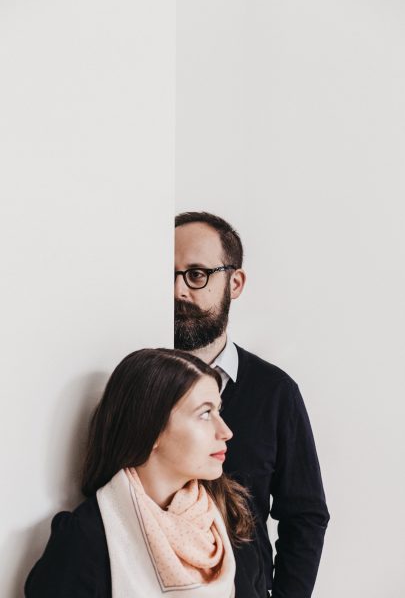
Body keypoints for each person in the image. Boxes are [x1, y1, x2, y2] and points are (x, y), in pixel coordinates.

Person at [25, 348, 267, 597]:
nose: (226, 431)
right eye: (205, 414)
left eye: (218, 410)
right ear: (150, 429)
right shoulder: (86, 540)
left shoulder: (228, 518)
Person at [175, 212, 330, 598]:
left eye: (196, 274)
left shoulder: (275, 392)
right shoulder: (134, 384)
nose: (178, 289)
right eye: (168, 275)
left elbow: (305, 516)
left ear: (235, 282)